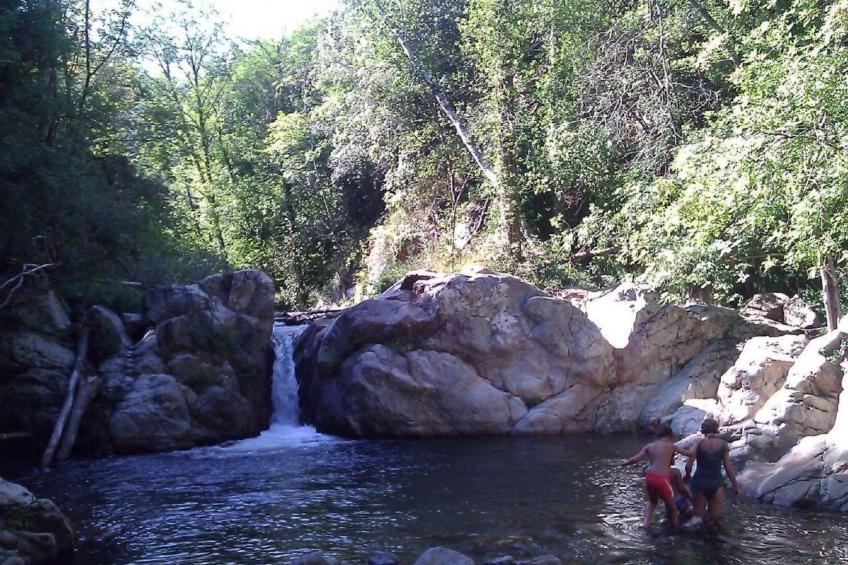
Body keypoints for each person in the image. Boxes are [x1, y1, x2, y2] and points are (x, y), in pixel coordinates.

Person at [622, 424, 689, 529]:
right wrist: (696, 446)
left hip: (649, 477)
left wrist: (625, 463)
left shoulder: (649, 446)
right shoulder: (671, 446)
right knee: (671, 507)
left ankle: (646, 526)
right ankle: (675, 529)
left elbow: (634, 459)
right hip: (662, 479)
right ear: (668, 437)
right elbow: (688, 453)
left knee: (652, 501)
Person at [682, 417, 739, 526]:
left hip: (700, 483)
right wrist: (736, 485)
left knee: (697, 519)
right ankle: (713, 540)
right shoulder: (723, 445)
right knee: (714, 521)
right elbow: (728, 467)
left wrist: (688, 476)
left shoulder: (698, 443)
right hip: (716, 484)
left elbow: (689, 465)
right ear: (717, 429)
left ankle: (690, 539)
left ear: (703, 430)